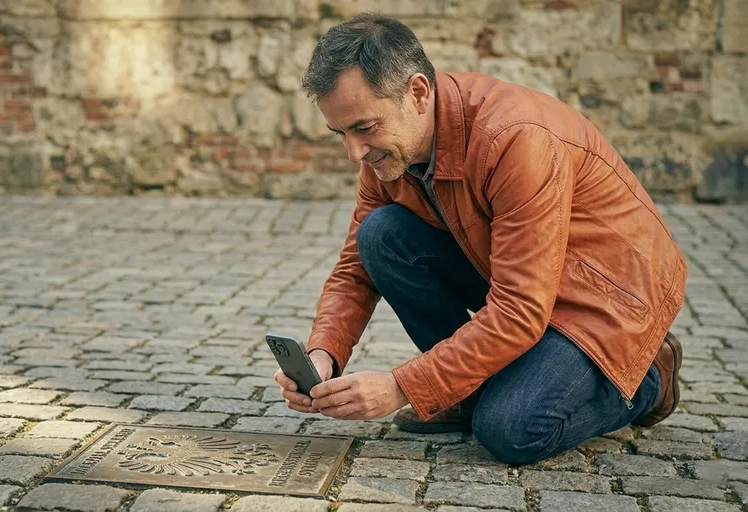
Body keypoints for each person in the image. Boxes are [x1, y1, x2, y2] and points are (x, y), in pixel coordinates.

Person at [272, 13, 688, 465]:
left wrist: (402, 386)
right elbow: (356, 267)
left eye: (364, 128)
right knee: (381, 236)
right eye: (341, 133)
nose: (354, 152)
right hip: (522, 278)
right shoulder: (387, 154)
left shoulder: (515, 139)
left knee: (510, 430)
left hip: (609, 298)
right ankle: (467, 391)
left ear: (417, 93)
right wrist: (323, 354)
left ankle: (651, 379)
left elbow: (520, 309)